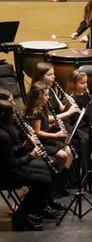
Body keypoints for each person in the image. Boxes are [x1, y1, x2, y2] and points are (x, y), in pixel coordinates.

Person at [0, 95, 55, 231]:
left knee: (47, 169)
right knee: (43, 180)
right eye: (12, 113)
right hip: (5, 175)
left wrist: (25, 146)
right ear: (4, 115)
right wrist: (30, 155)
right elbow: (10, 164)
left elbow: (12, 151)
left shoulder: (7, 127)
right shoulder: (2, 136)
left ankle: (34, 210)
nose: (15, 115)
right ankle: (20, 217)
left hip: (12, 167)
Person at [24, 82, 74, 204]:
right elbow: (37, 132)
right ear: (39, 97)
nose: (49, 97)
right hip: (39, 143)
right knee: (62, 156)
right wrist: (55, 135)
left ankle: (58, 184)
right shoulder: (36, 111)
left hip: (46, 139)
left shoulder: (43, 108)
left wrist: (52, 125)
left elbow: (44, 125)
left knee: (69, 152)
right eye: (46, 95)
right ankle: (52, 185)